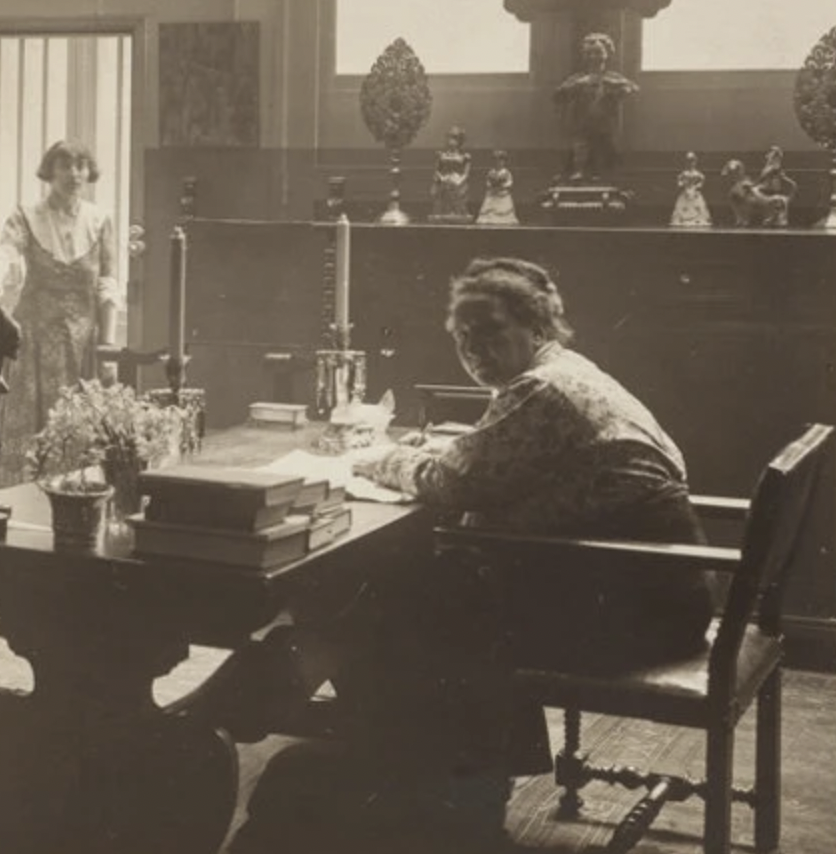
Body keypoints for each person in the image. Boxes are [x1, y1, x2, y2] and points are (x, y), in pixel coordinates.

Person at [183, 257, 714, 851]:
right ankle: (445, 774)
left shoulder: (541, 387)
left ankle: (404, 767)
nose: (475, 350)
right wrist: (445, 454)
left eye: (490, 333)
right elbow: (494, 464)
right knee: (406, 590)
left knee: (389, 598)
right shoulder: (567, 373)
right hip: (649, 590)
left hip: (632, 612)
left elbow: (449, 484)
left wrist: (380, 459)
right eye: (463, 338)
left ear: (536, 328)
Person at [0, 139, 123, 484]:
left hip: (82, 342)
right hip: (33, 337)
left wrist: (107, 348)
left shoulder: (100, 219)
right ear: (50, 171)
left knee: (81, 427)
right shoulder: (28, 216)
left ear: (89, 172)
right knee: (31, 424)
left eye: (81, 165)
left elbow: (108, 283)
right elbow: (5, 251)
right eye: (65, 165)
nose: (74, 174)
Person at [554, 32, 639, 182]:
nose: (593, 57)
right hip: (582, 125)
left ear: (607, 54)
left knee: (603, 151)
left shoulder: (613, 77)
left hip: (605, 126)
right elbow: (558, 95)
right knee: (580, 149)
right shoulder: (577, 78)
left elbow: (633, 89)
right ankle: (579, 171)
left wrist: (619, 87)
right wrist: (577, 85)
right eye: (589, 53)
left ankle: (600, 174)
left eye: (598, 52)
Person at [428, 126, 472, 222]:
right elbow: (436, 170)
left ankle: (458, 212)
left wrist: (459, 181)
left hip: (458, 181)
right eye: (450, 137)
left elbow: (466, 173)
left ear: (460, 140)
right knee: (443, 188)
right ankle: (442, 212)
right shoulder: (441, 155)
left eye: (455, 137)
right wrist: (442, 178)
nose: (452, 140)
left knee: (456, 190)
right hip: (444, 179)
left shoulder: (465, 157)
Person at [670, 151, 712, 228]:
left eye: (692, 161)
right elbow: (679, 181)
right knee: (683, 206)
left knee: (697, 206)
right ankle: (684, 219)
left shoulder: (697, 173)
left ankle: (697, 219)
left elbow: (702, 180)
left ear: (695, 162)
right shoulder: (684, 173)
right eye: (688, 161)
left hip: (695, 192)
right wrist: (682, 184)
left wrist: (698, 186)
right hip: (685, 192)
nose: (690, 163)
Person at [475, 149, 517, 225]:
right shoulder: (491, 172)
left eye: (501, 161)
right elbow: (487, 182)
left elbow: (510, 182)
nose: (498, 163)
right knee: (489, 204)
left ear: (504, 162)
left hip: (502, 193)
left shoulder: (506, 172)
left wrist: (503, 186)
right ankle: (489, 218)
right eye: (496, 161)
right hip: (493, 193)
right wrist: (491, 185)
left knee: (503, 208)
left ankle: (504, 219)